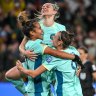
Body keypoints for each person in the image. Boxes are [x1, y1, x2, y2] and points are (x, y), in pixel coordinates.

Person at [5, 3, 83, 96]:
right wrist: (25, 53)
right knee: (9, 75)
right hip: (37, 62)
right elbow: (21, 46)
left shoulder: (61, 28)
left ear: (55, 11)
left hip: (53, 64)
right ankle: (26, 93)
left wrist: (78, 64)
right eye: (43, 6)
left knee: (58, 85)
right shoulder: (36, 26)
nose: (44, 7)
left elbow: (67, 48)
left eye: (47, 6)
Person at [16, 31, 83, 96]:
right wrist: (80, 66)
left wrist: (22, 69)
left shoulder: (54, 58)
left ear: (60, 42)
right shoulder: (74, 50)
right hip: (78, 91)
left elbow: (34, 74)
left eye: (55, 36)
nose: (52, 37)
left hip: (64, 92)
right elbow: (79, 60)